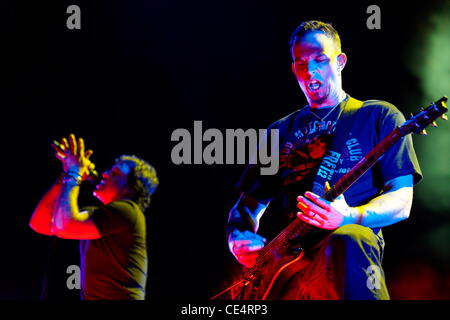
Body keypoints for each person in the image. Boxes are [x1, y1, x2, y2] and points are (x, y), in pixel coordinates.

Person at [226, 20, 422, 299]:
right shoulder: (279, 132)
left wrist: (350, 216)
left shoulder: (378, 116)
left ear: (340, 62)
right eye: (301, 63)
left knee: (349, 237)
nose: (311, 71)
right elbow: (245, 207)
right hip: (287, 267)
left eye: (320, 59)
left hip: (345, 251)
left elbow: (402, 200)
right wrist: (238, 238)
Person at [30, 134, 159, 300]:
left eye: (115, 173)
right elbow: (39, 223)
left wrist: (74, 172)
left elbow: (66, 225)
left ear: (132, 187)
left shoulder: (128, 211)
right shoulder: (100, 216)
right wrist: (65, 176)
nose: (104, 174)